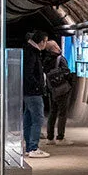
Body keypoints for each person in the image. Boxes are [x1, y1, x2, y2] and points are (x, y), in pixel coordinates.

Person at [42, 39, 74, 145]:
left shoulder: (46, 60)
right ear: (55, 47)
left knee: (52, 112)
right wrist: (70, 81)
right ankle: (60, 137)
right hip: (62, 89)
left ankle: (50, 137)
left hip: (52, 90)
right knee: (62, 113)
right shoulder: (60, 59)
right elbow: (66, 72)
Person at [23, 30, 49, 159]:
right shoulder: (32, 53)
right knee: (37, 119)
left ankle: (28, 147)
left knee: (28, 119)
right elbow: (29, 74)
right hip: (33, 92)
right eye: (46, 41)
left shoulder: (29, 51)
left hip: (28, 92)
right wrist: (38, 87)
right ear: (42, 41)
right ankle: (33, 147)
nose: (46, 44)